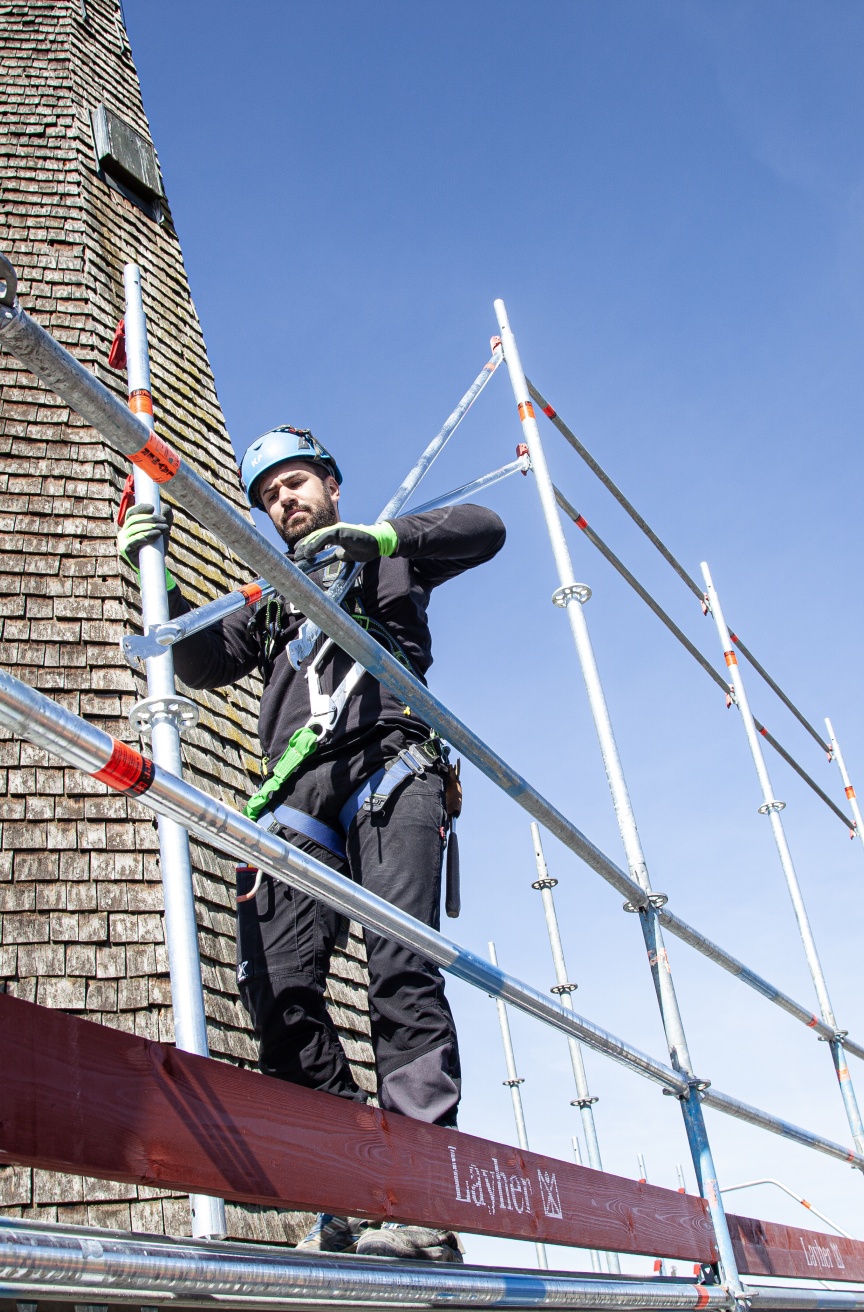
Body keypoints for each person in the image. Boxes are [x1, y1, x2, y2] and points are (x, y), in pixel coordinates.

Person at [117, 424, 506, 1262]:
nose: (283, 500)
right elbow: (200, 661)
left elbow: (486, 529)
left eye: (295, 483)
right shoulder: (273, 596)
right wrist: (157, 578)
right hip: (296, 791)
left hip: (388, 763)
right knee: (276, 986)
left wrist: (380, 539)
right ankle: (349, 1188)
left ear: (331, 485)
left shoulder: (389, 559)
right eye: (268, 495)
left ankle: (424, 1200)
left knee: (401, 966)